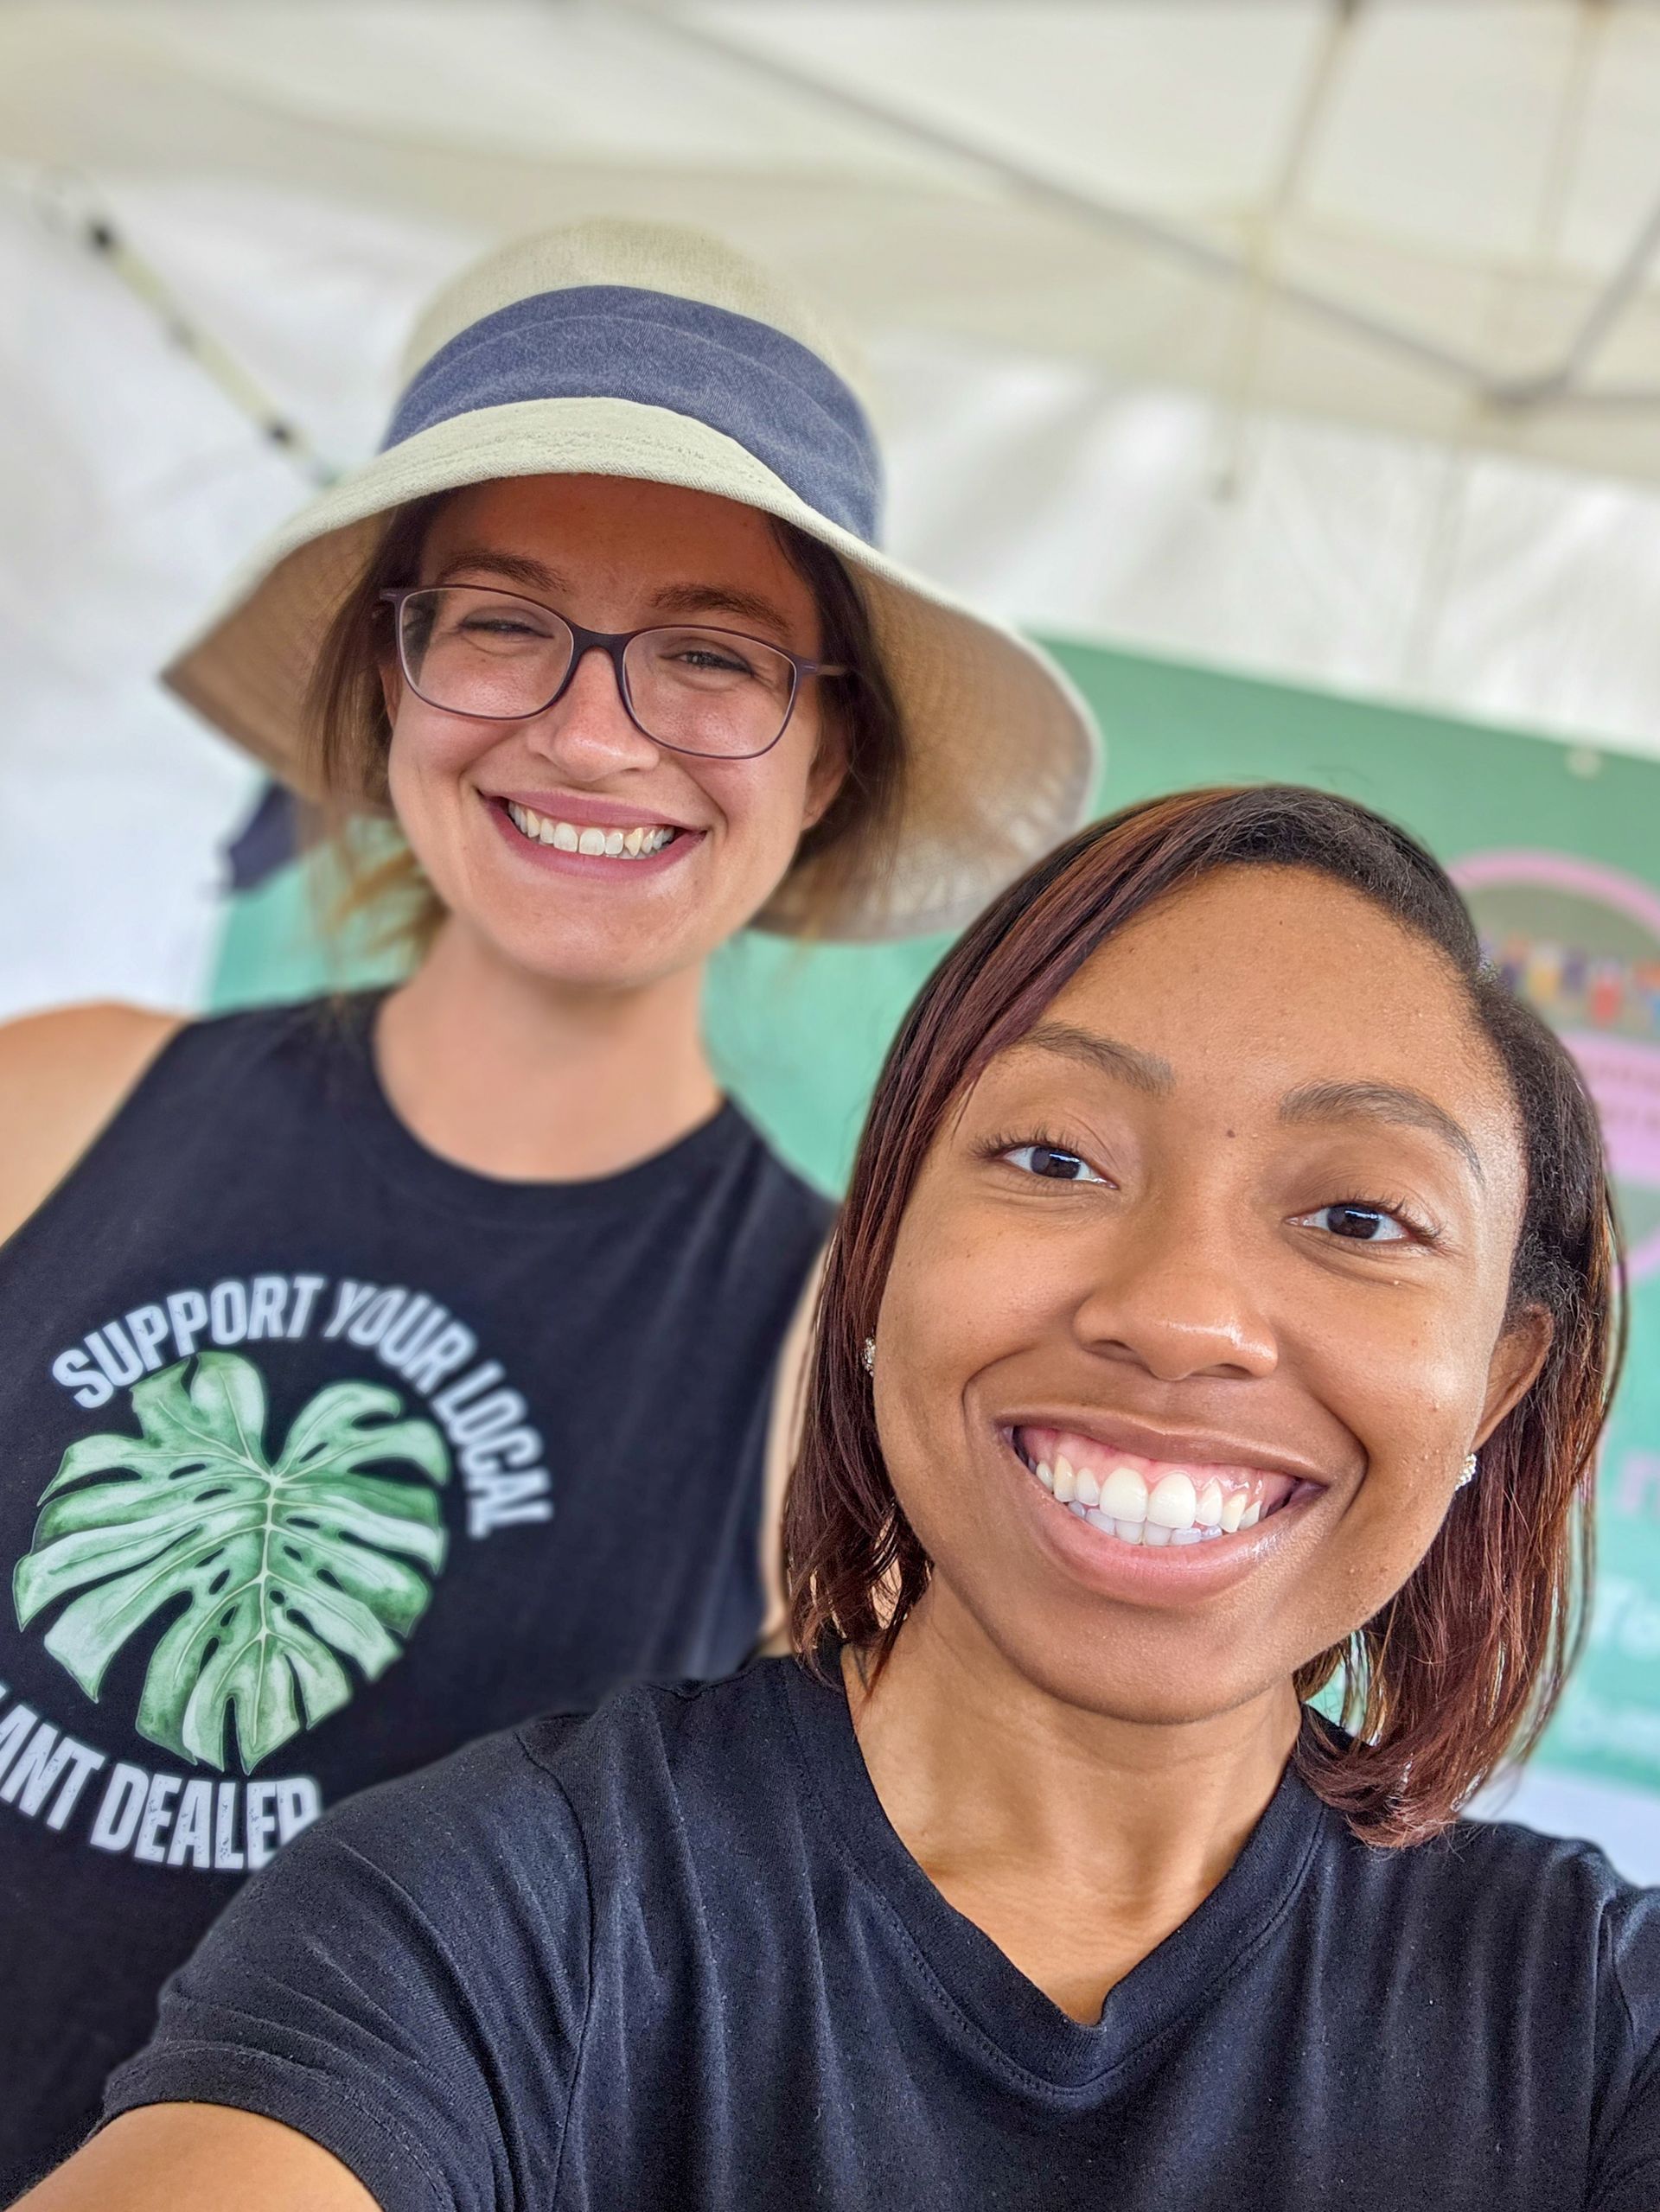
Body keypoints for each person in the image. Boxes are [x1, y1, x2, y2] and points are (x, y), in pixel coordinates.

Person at [23, 782, 1650, 2212]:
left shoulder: (1603, 2027)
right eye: (1058, 1160)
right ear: (881, 1264)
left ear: (1497, 1385)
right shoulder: (484, 1918)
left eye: (1363, 1218)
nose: (1180, 1312)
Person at [0, 218, 1099, 2193]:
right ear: (391, 675)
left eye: (712, 655)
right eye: (500, 620)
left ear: (832, 747)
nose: (593, 733)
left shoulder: (843, 1348)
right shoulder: (58, 1096)